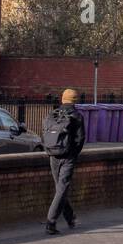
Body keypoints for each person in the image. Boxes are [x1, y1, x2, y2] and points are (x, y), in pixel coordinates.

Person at [41, 87, 86, 234]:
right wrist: (73, 154)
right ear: (75, 101)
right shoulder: (77, 116)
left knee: (60, 189)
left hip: (53, 155)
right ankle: (50, 222)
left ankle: (70, 218)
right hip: (68, 156)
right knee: (62, 189)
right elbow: (80, 139)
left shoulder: (53, 114)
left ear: (62, 99)